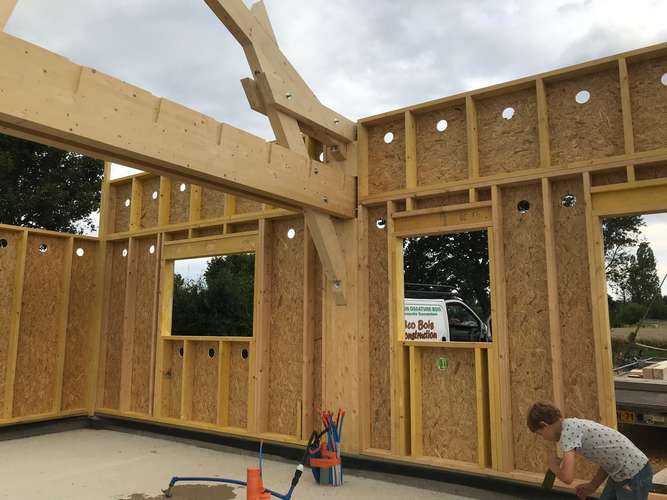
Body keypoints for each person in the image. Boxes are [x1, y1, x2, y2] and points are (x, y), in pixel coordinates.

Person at [527, 402, 652, 500]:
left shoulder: (568, 434)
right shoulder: (571, 426)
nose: (543, 438)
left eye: (540, 433)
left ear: (544, 425)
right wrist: (593, 485)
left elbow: (568, 478)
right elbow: (608, 460)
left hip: (634, 475)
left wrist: (554, 467)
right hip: (622, 473)